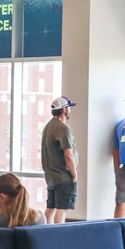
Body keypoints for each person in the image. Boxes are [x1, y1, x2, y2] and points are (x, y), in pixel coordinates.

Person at [41, 96, 78, 224]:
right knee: (61, 210)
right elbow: (68, 155)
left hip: (51, 177)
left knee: (50, 208)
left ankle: (45, 235)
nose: (70, 111)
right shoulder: (63, 129)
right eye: (69, 108)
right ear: (64, 110)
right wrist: (74, 175)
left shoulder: (48, 127)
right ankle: (58, 238)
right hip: (63, 177)